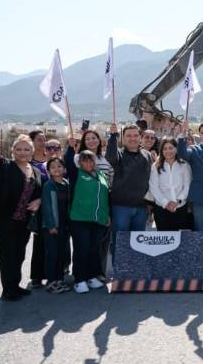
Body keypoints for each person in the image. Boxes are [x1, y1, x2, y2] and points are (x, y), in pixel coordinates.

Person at [0, 130, 43, 301]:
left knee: (19, 254)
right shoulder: (5, 166)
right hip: (5, 219)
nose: (22, 152)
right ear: (12, 151)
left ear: (32, 151)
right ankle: (8, 290)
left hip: (24, 221)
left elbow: (40, 191)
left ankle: (15, 285)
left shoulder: (35, 170)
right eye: (18, 149)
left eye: (27, 149)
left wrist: (39, 201)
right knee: (7, 255)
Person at [65, 145, 110, 294]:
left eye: (91, 160)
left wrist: (106, 216)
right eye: (84, 160)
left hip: (98, 220)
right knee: (81, 250)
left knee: (93, 249)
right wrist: (70, 148)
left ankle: (91, 276)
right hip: (80, 219)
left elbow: (105, 197)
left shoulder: (100, 174)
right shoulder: (75, 174)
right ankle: (79, 279)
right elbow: (68, 161)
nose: (88, 163)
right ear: (79, 162)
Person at [106, 123, 152, 257]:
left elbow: (150, 180)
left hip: (142, 208)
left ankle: (133, 276)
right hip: (121, 207)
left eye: (135, 135)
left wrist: (150, 205)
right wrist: (113, 136)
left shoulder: (147, 155)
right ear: (123, 138)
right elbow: (110, 158)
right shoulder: (118, 154)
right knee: (120, 243)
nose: (132, 138)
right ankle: (119, 275)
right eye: (129, 136)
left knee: (138, 245)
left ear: (140, 137)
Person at [41, 157, 71, 294]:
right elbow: (46, 207)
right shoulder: (48, 185)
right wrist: (51, 225)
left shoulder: (66, 183)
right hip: (52, 227)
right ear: (49, 171)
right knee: (52, 254)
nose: (57, 169)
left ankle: (59, 279)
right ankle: (51, 282)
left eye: (59, 166)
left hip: (64, 225)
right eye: (53, 167)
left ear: (64, 169)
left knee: (61, 254)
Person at [148, 137, 192, 231]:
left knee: (180, 239)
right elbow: (153, 187)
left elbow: (187, 185)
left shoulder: (184, 165)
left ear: (176, 149)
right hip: (161, 209)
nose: (168, 151)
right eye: (165, 148)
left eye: (171, 148)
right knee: (164, 240)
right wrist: (166, 203)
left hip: (180, 208)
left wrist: (178, 200)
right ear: (161, 150)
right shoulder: (156, 166)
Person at [27, 130, 48, 289]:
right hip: (35, 209)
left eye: (44, 140)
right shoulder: (28, 163)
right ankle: (36, 276)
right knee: (39, 242)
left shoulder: (52, 161)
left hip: (52, 207)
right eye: (39, 140)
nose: (43, 142)